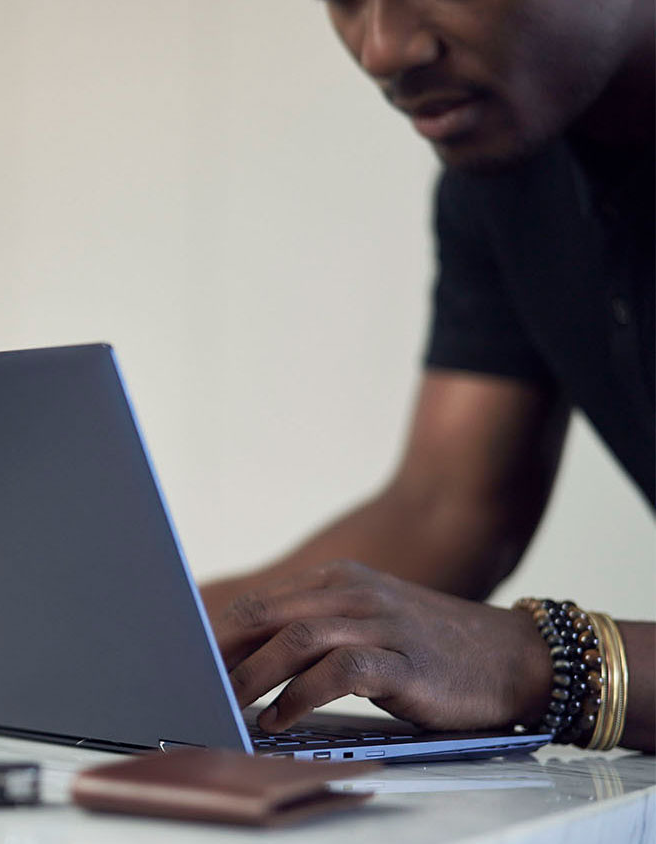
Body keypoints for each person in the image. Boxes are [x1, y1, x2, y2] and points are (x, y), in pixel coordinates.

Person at [200, 0, 653, 753]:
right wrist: (128, 641)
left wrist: (541, 660)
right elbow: (446, 509)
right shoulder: (506, 173)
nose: (381, 48)